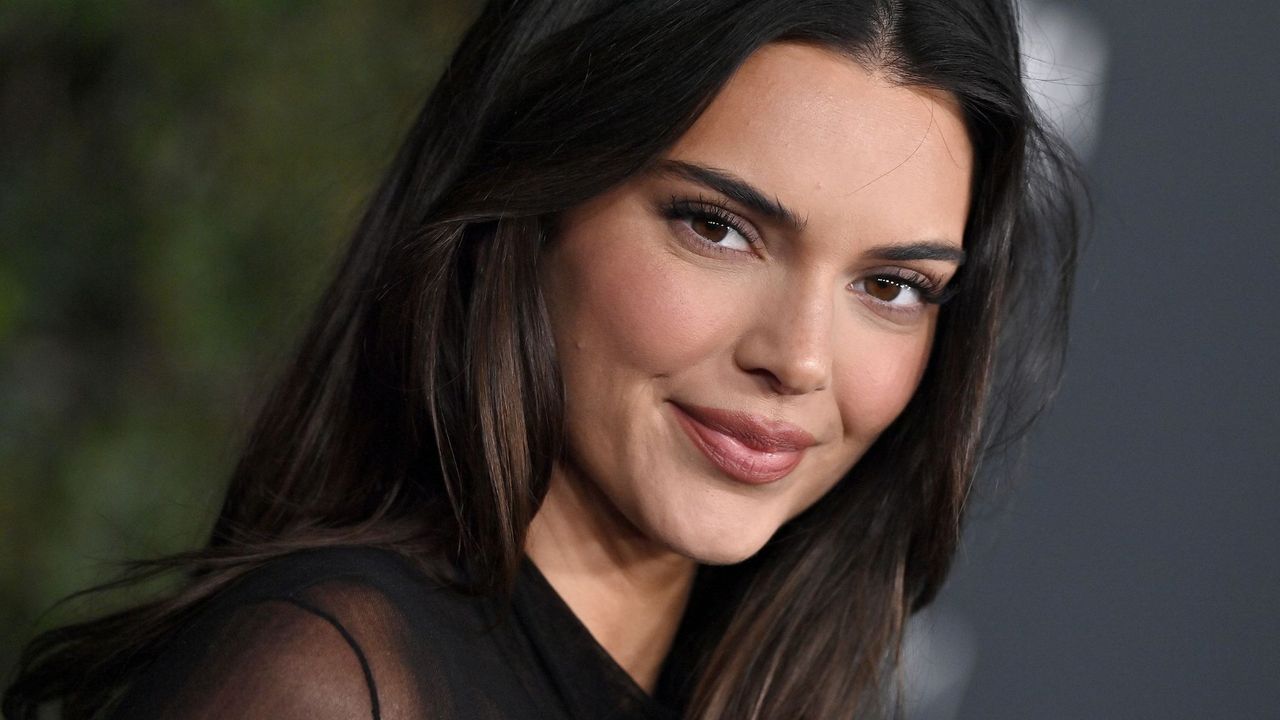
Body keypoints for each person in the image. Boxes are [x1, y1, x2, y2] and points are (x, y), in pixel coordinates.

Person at [3, 0, 1082, 718]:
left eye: (889, 287)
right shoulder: (329, 685)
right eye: (717, 227)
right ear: (536, 200)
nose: (796, 360)